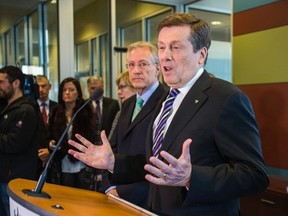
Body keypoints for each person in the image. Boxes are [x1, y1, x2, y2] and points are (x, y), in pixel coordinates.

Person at [68, 13, 269, 216]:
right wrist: (114, 163)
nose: (164, 55)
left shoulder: (226, 97)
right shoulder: (166, 99)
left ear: (201, 55)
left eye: (175, 47)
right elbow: (154, 163)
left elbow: (254, 175)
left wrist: (191, 177)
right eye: (162, 47)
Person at [103, 41, 167, 208]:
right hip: (117, 197)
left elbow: (161, 163)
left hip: (148, 201)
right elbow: (112, 151)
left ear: (158, 68)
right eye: (131, 65)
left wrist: (124, 192)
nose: (136, 70)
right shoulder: (129, 104)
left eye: (143, 64)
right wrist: (109, 186)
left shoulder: (168, 102)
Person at [0, 66, 47, 216]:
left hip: (15, 179)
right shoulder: (7, 107)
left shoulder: (25, 110)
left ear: (15, 83)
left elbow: (14, 143)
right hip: (5, 175)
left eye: (1, 82)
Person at [47, 77, 99, 190]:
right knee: (65, 194)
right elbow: (50, 135)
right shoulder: (55, 111)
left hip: (83, 160)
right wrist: (50, 143)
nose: (67, 93)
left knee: (83, 196)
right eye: (64, 90)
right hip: (62, 159)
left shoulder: (86, 109)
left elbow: (95, 136)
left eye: (71, 90)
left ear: (78, 93)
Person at [36, 75, 58, 175]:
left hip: (54, 158)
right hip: (35, 158)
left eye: (44, 86)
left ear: (49, 86)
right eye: (37, 86)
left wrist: (50, 150)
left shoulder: (58, 107)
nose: (40, 89)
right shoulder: (30, 107)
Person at [107, 71, 136, 140]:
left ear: (135, 86)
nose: (118, 92)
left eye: (122, 87)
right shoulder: (120, 114)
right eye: (118, 88)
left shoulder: (149, 111)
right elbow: (111, 142)